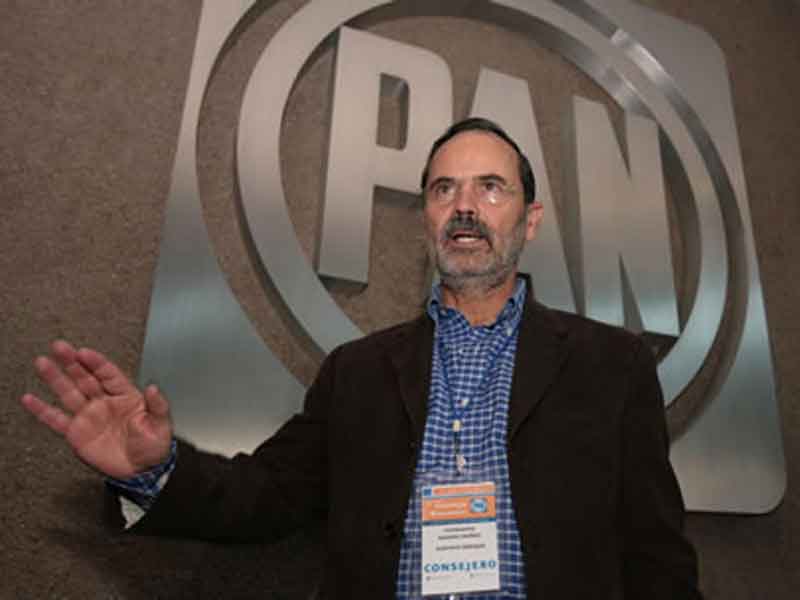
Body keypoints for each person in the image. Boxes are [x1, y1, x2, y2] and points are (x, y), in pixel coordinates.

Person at [21, 118, 702, 599]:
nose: (465, 206)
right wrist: (155, 471)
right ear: (427, 219)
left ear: (530, 220)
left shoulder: (611, 366)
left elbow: (657, 555)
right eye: (443, 189)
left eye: (491, 187)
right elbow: (266, 498)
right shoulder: (357, 373)